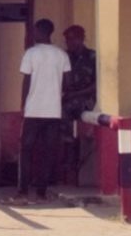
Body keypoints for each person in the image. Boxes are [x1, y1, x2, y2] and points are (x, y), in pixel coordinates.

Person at [17, 18, 73, 202]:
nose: (33, 34)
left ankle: (23, 191)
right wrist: (57, 94)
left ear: (41, 32)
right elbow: (68, 83)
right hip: (53, 112)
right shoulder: (61, 55)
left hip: (33, 110)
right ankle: (41, 192)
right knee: (48, 152)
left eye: (35, 31)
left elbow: (26, 82)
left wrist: (23, 105)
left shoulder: (31, 53)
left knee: (26, 150)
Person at [62, 24, 99, 185]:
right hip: (68, 97)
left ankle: (70, 149)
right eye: (67, 40)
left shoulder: (92, 57)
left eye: (72, 39)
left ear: (81, 39)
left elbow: (97, 85)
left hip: (85, 98)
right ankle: (67, 150)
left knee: (65, 110)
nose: (69, 42)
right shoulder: (65, 57)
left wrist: (75, 95)